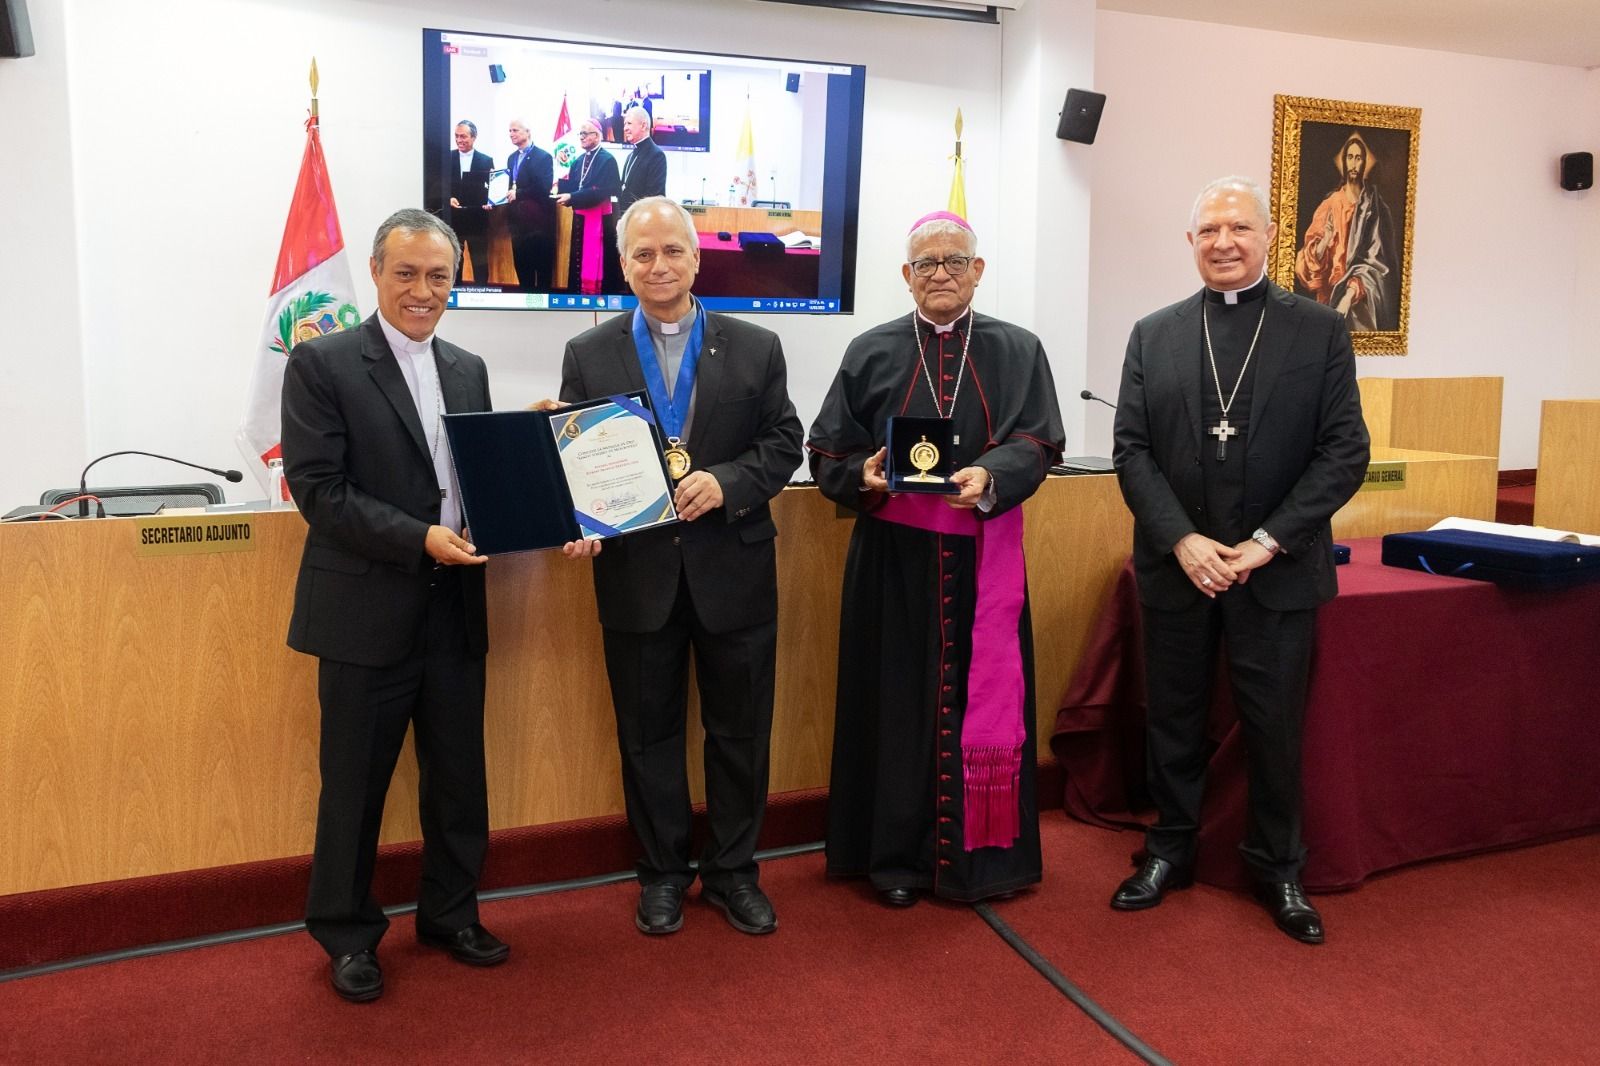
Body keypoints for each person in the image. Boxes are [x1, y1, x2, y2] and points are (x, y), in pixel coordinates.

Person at [1109, 176, 1369, 944]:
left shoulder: (1318, 330)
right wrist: (1182, 541)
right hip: (1179, 568)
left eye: (1239, 228)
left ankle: (1278, 867)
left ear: (1267, 237)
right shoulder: (1153, 333)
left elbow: (1344, 451)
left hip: (1277, 570)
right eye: (1209, 231)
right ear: (1189, 243)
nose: (1224, 242)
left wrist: (1264, 543)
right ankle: (1169, 851)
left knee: (1273, 726)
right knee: (1175, 721)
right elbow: (1130, 451)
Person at [545, 196, 801, 936]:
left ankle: (732, 873)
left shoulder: (757, 344)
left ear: (697, 257)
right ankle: (661, 874)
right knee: (647, 737)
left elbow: (784, 444)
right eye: (642, 255)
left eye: (672, 252)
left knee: (740, 734)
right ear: (622, 265)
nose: (659, 266)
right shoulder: (588, 353)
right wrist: (580, 519)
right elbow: (579, 458)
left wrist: (728, 483)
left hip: (736, 570)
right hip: (637, 577)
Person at [806, 211, 1065, 907]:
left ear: (978, 271)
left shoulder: (1018, 349)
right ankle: (895, 862)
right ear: (906, 276)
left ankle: (985, 862)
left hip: (985, 559)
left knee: (980, 701)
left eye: (955, 262)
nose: (941, 274)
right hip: (893, 560)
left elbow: (1040, 440)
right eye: (926, 264)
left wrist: (993, 476)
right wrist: (861, 474)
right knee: (895, 706)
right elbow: (826, 447)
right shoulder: (871, 350)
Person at [281, 208, 507, 1002]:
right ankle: (346, 933)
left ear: (455, 281)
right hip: (363, 614)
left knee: (458, 780)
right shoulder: (322, 364)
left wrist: (536, 479)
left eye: (438, 275)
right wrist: (421, 538)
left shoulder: (471, 367)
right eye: (406, 273)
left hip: (455, 611)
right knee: (354, 786)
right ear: (376, 273)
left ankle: (450, 913)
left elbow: (477, 478)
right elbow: (320, 492)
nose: (423, 289)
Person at [1293, 131, 1399, 332]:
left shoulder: (1375, 208)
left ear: (1364, 163)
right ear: (1343, 161)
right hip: (1328, 303)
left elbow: (1378, 263)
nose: (1354, 163)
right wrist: (1325, 242)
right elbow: (1306, 268)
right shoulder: (1330, 205)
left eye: (1358, 158)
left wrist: (1350, 295)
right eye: (1350, 157)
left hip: (1360, 304)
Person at [555, 119, 621, 295]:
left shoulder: (607, 160)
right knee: (579, 260)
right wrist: (559, 189)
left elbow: (601, 191)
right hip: (580, 219)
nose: (582, 137)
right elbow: (575, 185)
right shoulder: (578, 160)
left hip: (600, 220)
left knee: (599, 262)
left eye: (586, 134)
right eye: (581, 134)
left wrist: (572, 197)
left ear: (597, 136)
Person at [505, 118, 555, 289]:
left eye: (515, 130)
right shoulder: (511, 158)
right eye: (510, 131)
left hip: (539, 224)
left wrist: (518, 194)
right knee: (522, 270)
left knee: (542, 271)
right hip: (518, 226)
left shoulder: (543, 157)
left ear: (528, 132)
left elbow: (544, 188)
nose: (511, 134)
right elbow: (509, 185)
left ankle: (544, 313)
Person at [448, 120, 494, 284]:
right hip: (453, 219)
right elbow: (437, 185)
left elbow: (492, 187)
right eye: (456, 136)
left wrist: (491, 201)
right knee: (454, 263)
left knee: (480, 262)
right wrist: (448, 197)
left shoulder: (486, 160)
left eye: (463, 136)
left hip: (477, 219)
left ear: (474, 137)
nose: (459, 140)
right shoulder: (447, 157)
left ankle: (482, 297)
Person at [617, 105, 667, 212]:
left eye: (629, 123)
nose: (625, 128)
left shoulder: (656, 155)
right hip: (626, 219)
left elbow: (654, 198)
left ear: (643, 126)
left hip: (642, 222)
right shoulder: (630, 156)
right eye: (624, 124)